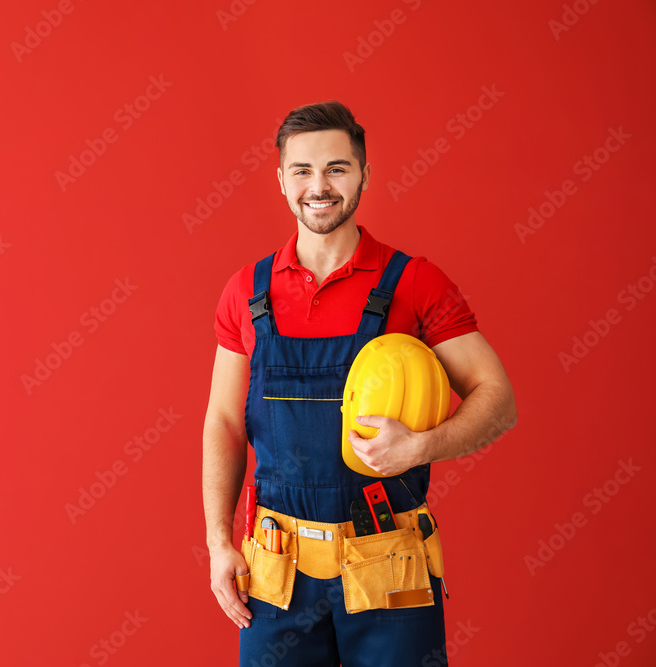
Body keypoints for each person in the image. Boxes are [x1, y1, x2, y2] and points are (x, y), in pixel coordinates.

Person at [201, 100, 517, 666]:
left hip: (388, 558)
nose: (319, 186)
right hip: (277, 568)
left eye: (337, 168)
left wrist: (422, 446)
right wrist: (219, 542)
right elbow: (224, 422)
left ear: (364, 174)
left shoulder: (415, 283)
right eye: (302, 170)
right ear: (280, 180)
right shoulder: (246, 294)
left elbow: (498, 399)